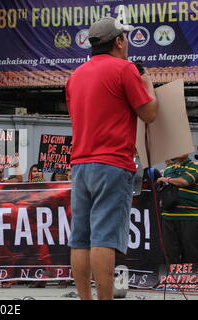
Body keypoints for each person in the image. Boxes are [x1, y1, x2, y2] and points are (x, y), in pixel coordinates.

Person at [66, 16, 158, 300]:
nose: (127, 42)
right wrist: (148, 83)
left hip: (80, 164)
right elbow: (149, 113)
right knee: (104, 239)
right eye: (125, 38)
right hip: (113, 164)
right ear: (118, 41)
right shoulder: (125, 69)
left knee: (80, 240)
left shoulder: (75, 76)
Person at [157, 154, 198, 264]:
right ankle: (174, 279)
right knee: (171, 252)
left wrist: (167, 179)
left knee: (191, 252)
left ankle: (192, 279)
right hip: (168, 216)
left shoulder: (195, 165)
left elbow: (185, 181)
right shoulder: (168, 169)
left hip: (189, 216)